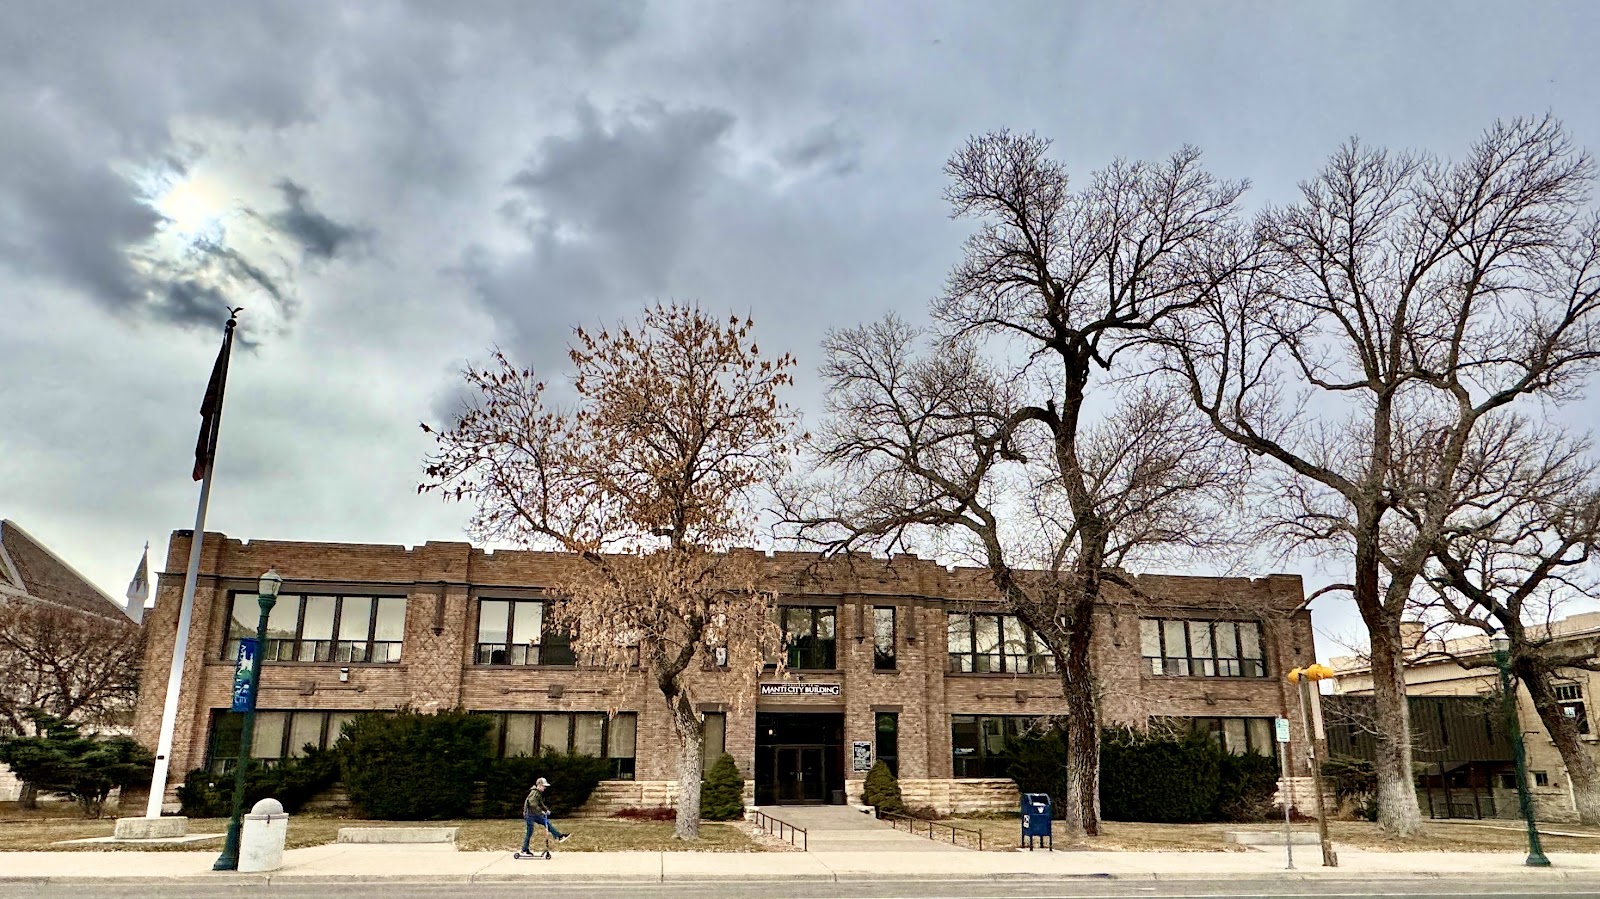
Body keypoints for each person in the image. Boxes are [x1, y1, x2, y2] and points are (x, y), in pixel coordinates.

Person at [522, 777, 569, 852]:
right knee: (529, 832)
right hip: (530, 815)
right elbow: (532, 804)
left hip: (535, 814)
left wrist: (546, 810)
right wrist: (541, 812)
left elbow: (540, 803)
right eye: (544, 786)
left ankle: (559, 836)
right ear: (539, 785)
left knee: (546, 823)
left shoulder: (538, 793)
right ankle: (524, 849)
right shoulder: (534, 792)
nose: (545, 788)